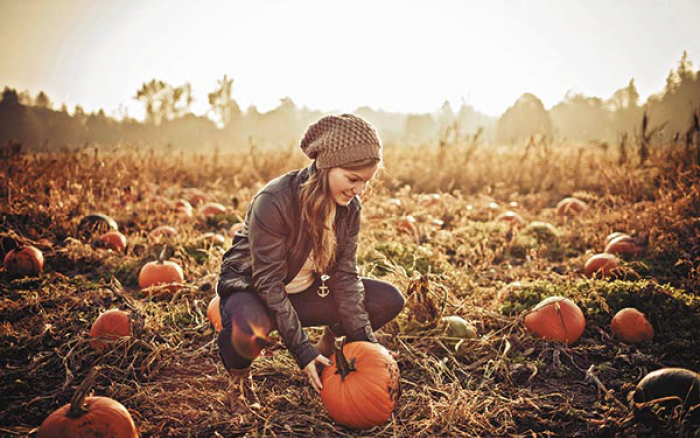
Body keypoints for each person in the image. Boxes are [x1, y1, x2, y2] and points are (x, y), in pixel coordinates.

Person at [216, 113, 406, 413]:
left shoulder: (348, 208)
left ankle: (330, 342)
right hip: (255, 291)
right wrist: (301, 349)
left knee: (387, 299)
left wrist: (367, 347)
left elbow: (345, 275)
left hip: (306, 293)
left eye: (366, 182)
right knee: (248, 328)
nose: (360, 190)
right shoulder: (274, 200)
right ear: (326, 166)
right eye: (353, 179)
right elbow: (268, 283)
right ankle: (239, 380)